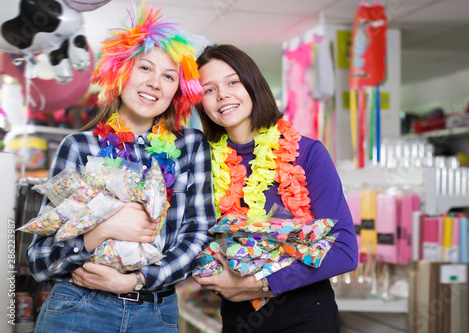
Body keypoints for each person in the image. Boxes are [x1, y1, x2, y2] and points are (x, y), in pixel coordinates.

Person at [27, 5, 216, 333]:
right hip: (78, 309)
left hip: (155, 314)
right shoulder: (79, 147)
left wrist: (138, 281)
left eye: (169, 76)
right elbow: (40, 259)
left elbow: (198, 234)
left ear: (178, 91)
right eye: (145, 67)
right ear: (121, 71)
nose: (155, 83)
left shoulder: (191, 147)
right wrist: (98, 232)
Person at [192, 44, 358, 333]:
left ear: (253, 84)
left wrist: (260, 285)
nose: (223, 95)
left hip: (304, 316)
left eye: (233, 82)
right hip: (238, 318)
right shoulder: (202, 163)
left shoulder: (307, 153)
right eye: (209, 89)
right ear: (200, 103)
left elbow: (344, 250)